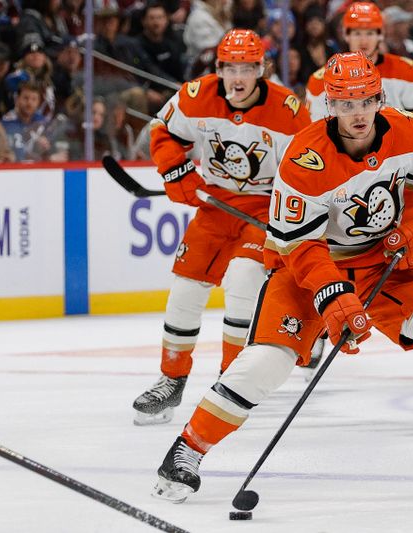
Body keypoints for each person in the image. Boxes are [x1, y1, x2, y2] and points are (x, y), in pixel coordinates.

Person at [151, 52, 413, 503]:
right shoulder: (303, 159)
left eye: (365, 100)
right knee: (268, 362)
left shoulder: (409, 131)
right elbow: (300, 247)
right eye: (346, 104)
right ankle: (186, 450)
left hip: (379, 262)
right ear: (330, 105)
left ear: (379, 97)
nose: (358, 113)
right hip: (304, 269)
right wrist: (335, 298)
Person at [131, 29, 311, 425]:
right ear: (219, 69)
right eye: (231, 68)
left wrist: (294, 220)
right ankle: (170, 378)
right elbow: (164, 133)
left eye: (248, 68)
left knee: (245, 281)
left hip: (266, 209)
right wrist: (175, 171)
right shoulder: (196, 95)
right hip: (215, 207)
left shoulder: (288, 110)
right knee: (185, 288)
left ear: (262, 69)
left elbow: (305, 172)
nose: (239, 77)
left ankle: (229, 380)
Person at [304, 2, 413, 155]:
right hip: (346, 168)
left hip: (397, 166)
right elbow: (315, 132)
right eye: (357, 33)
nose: (363, 41)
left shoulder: (408, 72)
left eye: (370, 33)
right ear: (346, 34)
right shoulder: (321, 81)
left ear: (380, 34)